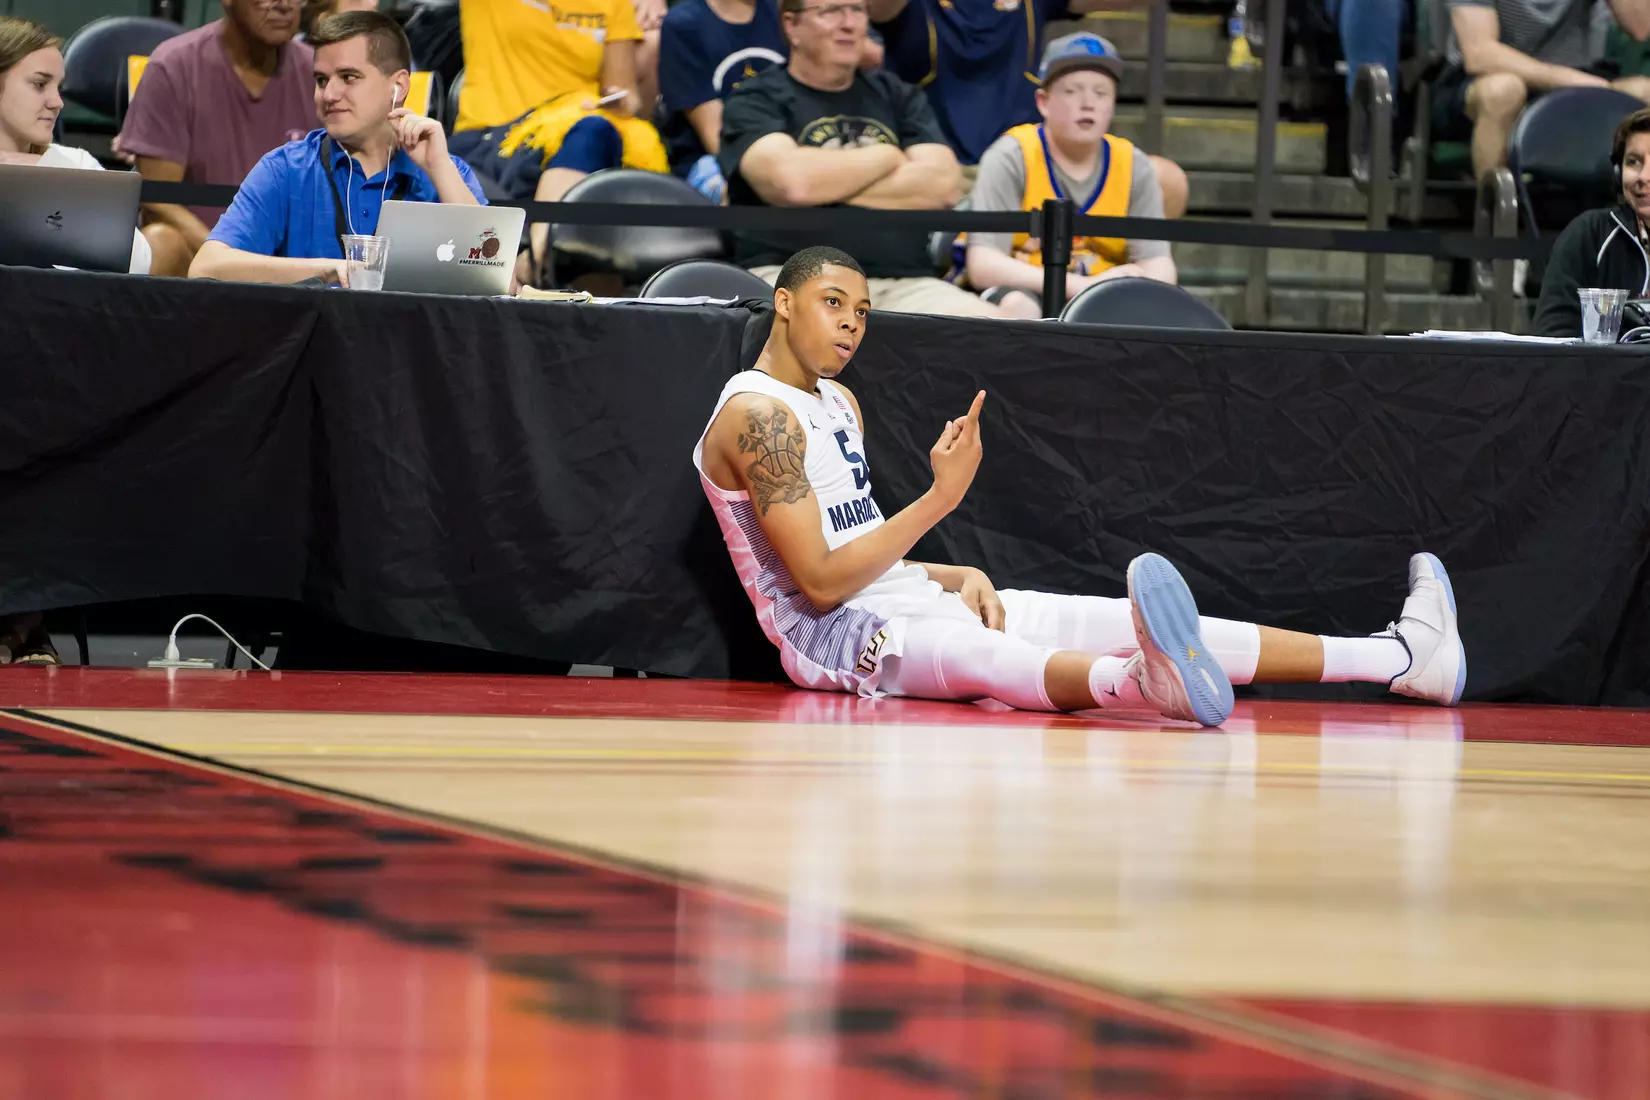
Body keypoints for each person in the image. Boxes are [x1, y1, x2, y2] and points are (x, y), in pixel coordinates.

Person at [693, 245, 1467, 722]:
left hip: (896, 591)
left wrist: (953, 569)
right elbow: (822, 584)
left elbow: (852, 545)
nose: (852, 324)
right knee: (981, 660)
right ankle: (1136, 687)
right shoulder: (754, 417)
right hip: (826, 636)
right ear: (784, 303)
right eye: (834, 304)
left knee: (1102, 617)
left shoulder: (838, 401)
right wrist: (939, 500)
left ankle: (1398, 658)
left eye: (862, 310)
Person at [720, 0, 1007, 318]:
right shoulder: (755, 99)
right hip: (793, 278)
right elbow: (792, 184)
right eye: (831, 11)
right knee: (819, 333)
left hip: (905, 283)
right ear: (791, 25)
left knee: (998, 333)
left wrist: (825, 184)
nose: (850, 23)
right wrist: (887, 156)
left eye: (857, 10)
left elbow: (942, 186)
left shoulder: (898, 95)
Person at [191, 11, 485, 285]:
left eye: (349, 77)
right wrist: (331, 269)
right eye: (321, 80)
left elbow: (498, 282)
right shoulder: (286, 169)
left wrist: (439, 169)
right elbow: (205, 267)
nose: (329, 94)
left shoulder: (446, 171)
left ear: (399, 86)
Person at [869, 0, 1188, 217]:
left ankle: (1116, 291)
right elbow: (873, 8)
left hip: (1031, 167)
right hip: (946, 173)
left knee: (1166, 181)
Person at [964, 33, 1175, 317]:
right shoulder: (1012, 156)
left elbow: (1158, 263)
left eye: (1101, 93)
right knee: (1018, 307)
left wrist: (1125, 285)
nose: (1088, 103)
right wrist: (1079, 285)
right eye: (1073, 91)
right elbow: (983, 264)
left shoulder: (1133, 164)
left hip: (1107, 298)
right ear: (1043, 102)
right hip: (1028, 288)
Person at [118, 0, 321, 278]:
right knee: (161, 241)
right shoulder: (174, 66)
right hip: (199, 259)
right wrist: (229, 260)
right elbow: (159, 200)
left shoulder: (321, 75)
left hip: (294, 263)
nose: (284, 5)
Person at [449, 0, 667, 205]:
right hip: (493, 139)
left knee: (595, 131)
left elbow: (626, 92)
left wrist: (619, 103)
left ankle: (541, 241)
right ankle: (542, 243)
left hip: (579, 131)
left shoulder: (613, 4)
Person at [0, 17, 150, 276]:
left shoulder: (75, 165)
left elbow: (137, 263)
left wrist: (45, 169)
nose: (57, 102)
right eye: (39, 84)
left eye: (58, 88)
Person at [1439, 0, 1650, 180]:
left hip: (1574, 72)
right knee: (1503, 91)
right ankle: (1495, 213)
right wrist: (1578, 82)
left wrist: (1581, 82)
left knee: (1643, 91)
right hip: (1485, 78)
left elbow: (1640, 27)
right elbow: (1480, 54)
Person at [1533, 107, 1650, 336]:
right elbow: (1552, 336)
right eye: (1634, 162)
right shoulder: (1589, 235)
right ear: (1618, 173)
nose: (1644, 177)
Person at [659, 0, 790, 200]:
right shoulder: (684, 24)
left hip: (789, 150)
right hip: (713, 159)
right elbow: (717, 139)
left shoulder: (788, 15)